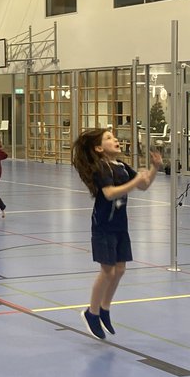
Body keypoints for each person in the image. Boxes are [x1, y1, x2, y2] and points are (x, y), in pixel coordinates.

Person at [71, 128, 161, 340]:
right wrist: (135, 182)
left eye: (114, 136)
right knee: (108, 271)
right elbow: (109, 193)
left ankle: (105, 309)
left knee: (120, 269)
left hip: (121, 225)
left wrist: (154, 168)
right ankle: (91, 313)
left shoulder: (121, 166)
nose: (116, 140)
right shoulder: (101, 167)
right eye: (109, 138)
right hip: (103, 226)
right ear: (99, 148)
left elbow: (144, 185)